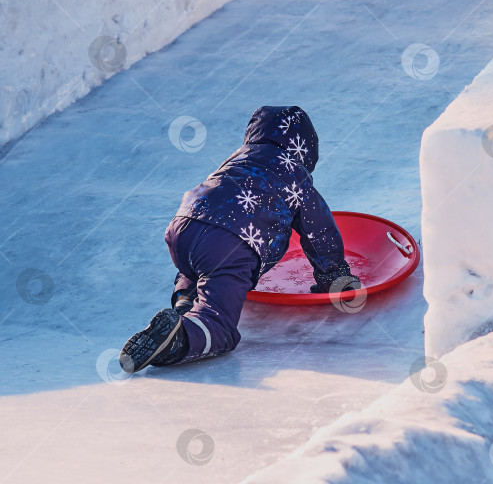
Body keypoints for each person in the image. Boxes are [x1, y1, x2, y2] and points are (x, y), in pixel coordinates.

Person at [119, 106, 358, 373]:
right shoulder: (295, 174)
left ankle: (185, 299)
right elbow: (319, 231)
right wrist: (334, 276)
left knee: (200, 263)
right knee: (220, 325)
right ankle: (179, 339)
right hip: (231, 242)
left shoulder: (239, 157)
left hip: (183, 226)